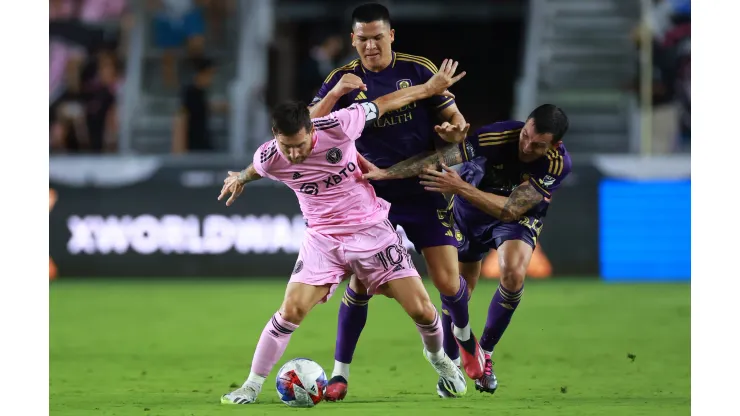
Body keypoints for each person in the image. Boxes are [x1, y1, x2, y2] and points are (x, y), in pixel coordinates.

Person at [217, 60, 468, 405]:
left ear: (312, 130)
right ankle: (251, 385)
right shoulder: (272, 156)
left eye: (300, 145)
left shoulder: (338, 125)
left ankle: (439, 359)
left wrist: (429, 88)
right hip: (322, 240)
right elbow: (257, 167)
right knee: (290, 310)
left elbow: (386, 103)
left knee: (424, 311)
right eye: (286, 146)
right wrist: (241, 178)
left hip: (371, 232)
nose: (293, 154)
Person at [307, 3, 484, 400]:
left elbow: (456, 122)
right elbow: (307, 126)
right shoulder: (341, 79)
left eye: (377, 37)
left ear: (391, 36)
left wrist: (453, 131)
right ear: (353, 40)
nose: (370, 45)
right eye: (362, 39)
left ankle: (464, 341)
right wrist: (336, 92)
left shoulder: (418, 70)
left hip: (423, 188)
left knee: (447, 281)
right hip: (371, 196)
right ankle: (340, 375)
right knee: (361, 284)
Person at [363, 104, 572, 396]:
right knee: (457, 290)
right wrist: (388, 173)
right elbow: (440, 157)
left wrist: (460, 188)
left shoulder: (556, 164)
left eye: (537, 145)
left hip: (513, 216)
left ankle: (483, 352)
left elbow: (511, 210)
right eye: (525, 135)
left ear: (555, 144)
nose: (526, 146)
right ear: (524, 125)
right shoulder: (495, 137)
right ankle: (451, 366)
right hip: (469, 212)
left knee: (513, 274)